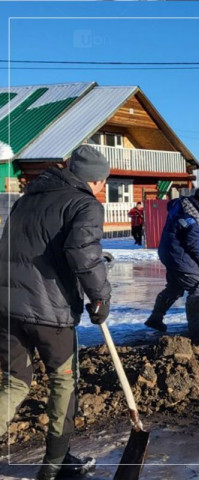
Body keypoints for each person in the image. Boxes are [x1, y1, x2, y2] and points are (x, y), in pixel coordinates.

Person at [0, 145, 112, 480]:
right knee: (63, 384)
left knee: (15, 382)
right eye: (104, 181)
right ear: (94, 179)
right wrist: (100, 297)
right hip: (51, 313)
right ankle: (55, 466)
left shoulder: (28, 199)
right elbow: (81, 252)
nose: (104, 188)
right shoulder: (85, 204)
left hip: (6, 307)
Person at [145, 186, 199, 337]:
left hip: (168, 252)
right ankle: (195, 324)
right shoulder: (195, 220)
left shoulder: (182, 205)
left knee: (175, 287)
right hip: (178, 256)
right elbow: (194, 245)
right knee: (198, 287)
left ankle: (155, 318)